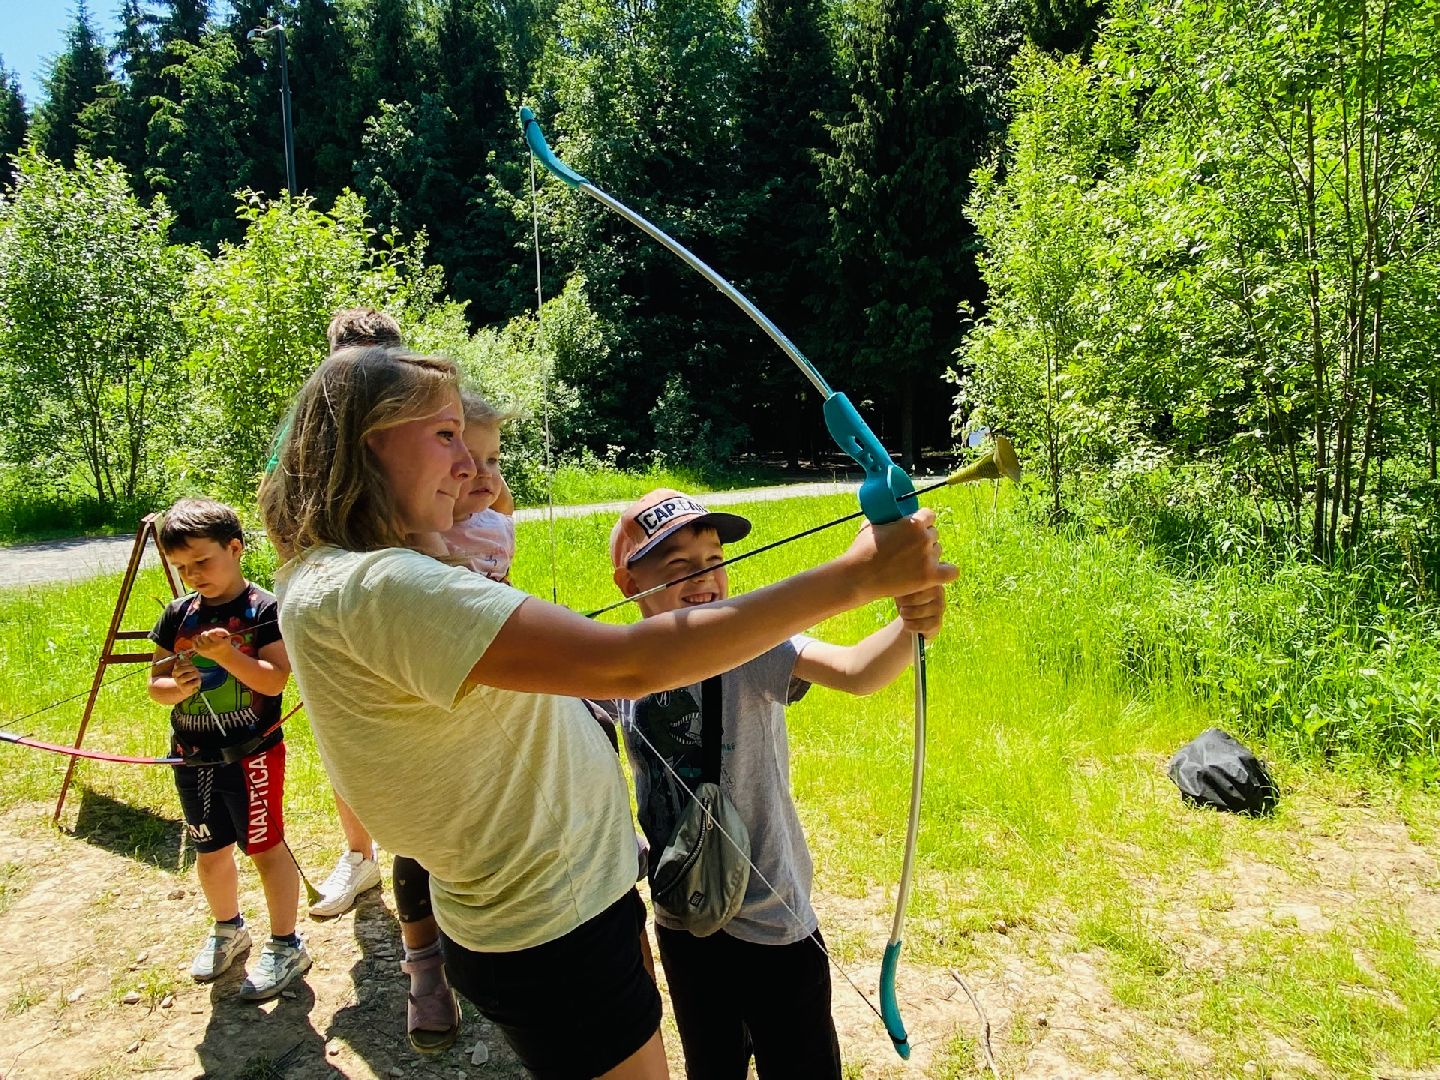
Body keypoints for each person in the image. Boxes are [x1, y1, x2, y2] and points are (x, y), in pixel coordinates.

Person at [257, 345, 953, 1079]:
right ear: (369, 438)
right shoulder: (378, 587)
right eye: (446, 435)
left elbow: (846, 669)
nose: (471, 467)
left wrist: (907, 617)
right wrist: (862, 575)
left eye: (470, 441)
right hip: (554, 931)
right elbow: (628, 660)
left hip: (564, 913)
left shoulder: (352, 573)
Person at [608, 489, 943, 1079]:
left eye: (713, 561)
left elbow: (859, 672)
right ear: (629, 584)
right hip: (681, 916)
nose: (703, 578)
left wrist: (909, 623)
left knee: (802, 1063)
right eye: (677, 567)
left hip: (772, 919)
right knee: (713, 1062)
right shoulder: (614, 665)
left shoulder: (753, 645)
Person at [146, 497, 309, 1001]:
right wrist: (181, 687)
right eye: (181, 567)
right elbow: (156, 685)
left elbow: (276, 678)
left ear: (235, 548)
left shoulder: (264, 609)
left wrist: (227, 656)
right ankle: (227, 928)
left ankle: (286, 943)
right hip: (193, 756)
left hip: (251, 754)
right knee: (209, 850)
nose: (193, 575)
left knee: (263, 848)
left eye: (203, 561)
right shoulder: (177, 614)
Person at [308, 308, 405, 918]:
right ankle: (359, 855)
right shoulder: (310, 428)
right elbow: (283, 503)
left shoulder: (420, 415)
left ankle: (433, 861)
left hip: (413, 594)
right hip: (343, 601)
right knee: (346, 731)